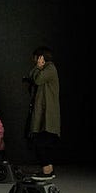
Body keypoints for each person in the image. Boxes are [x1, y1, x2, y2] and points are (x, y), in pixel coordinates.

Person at [25, 47, 60, 177]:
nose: (33, 60)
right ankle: (48, 169)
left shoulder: (50, 68)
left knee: (41, 142)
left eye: (35, 57)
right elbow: (31, 78)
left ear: (41, 57)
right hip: (41, 113)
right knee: (39, 141)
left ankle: (47, 169)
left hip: (48, 115)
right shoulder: (43, 69)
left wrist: (38, 67)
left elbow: (38, 80)